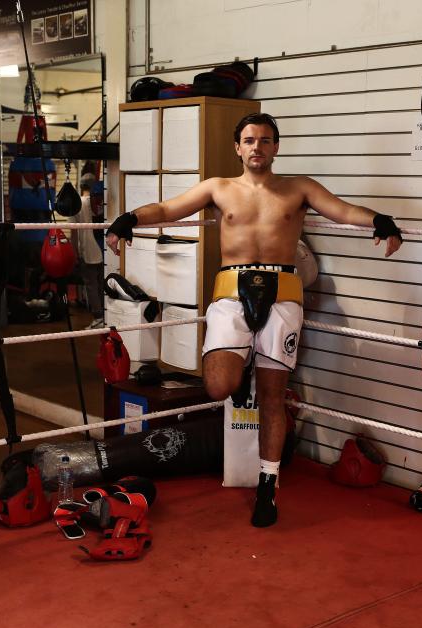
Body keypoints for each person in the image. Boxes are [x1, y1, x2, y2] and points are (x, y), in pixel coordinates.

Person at [106, 113, 403, 527]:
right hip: (231, 289)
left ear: (276, 147)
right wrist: (129, 219)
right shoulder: (219, 188)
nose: (257, 147)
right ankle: (240, 359)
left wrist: (379, 221)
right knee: (219, 384)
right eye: (249, 140)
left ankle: (268, 482)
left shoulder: (299, 188)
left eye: (265, 140)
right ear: (237, 147)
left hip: (283, 292)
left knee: (272, 398)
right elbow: (169, 207)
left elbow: (342, 210)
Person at [71, 174, 106, 329]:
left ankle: (99, 317)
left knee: (92, 285)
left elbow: (73, 232)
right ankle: (104, 316)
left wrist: (74, 252)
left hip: (92, 250)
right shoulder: (103, 202)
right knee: (101, 284)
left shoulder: (77, 203)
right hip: (105, 249)